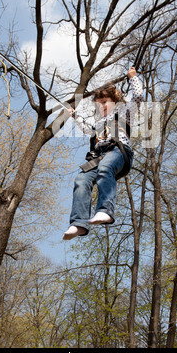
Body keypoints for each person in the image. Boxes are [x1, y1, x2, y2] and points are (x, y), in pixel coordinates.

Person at [63, 67, 143, 240]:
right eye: (99, 104)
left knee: (106, 167)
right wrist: (74, 116)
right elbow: (86, 129)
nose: (102, 106)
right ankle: (79, 223)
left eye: (105, 102)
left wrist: (133, 78)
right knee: (81, 179)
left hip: (118, 151)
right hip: (99, 157)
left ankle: (105, 210)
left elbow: (137, 98)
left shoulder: (123, 113)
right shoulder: (98, 124)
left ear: (115, 101)